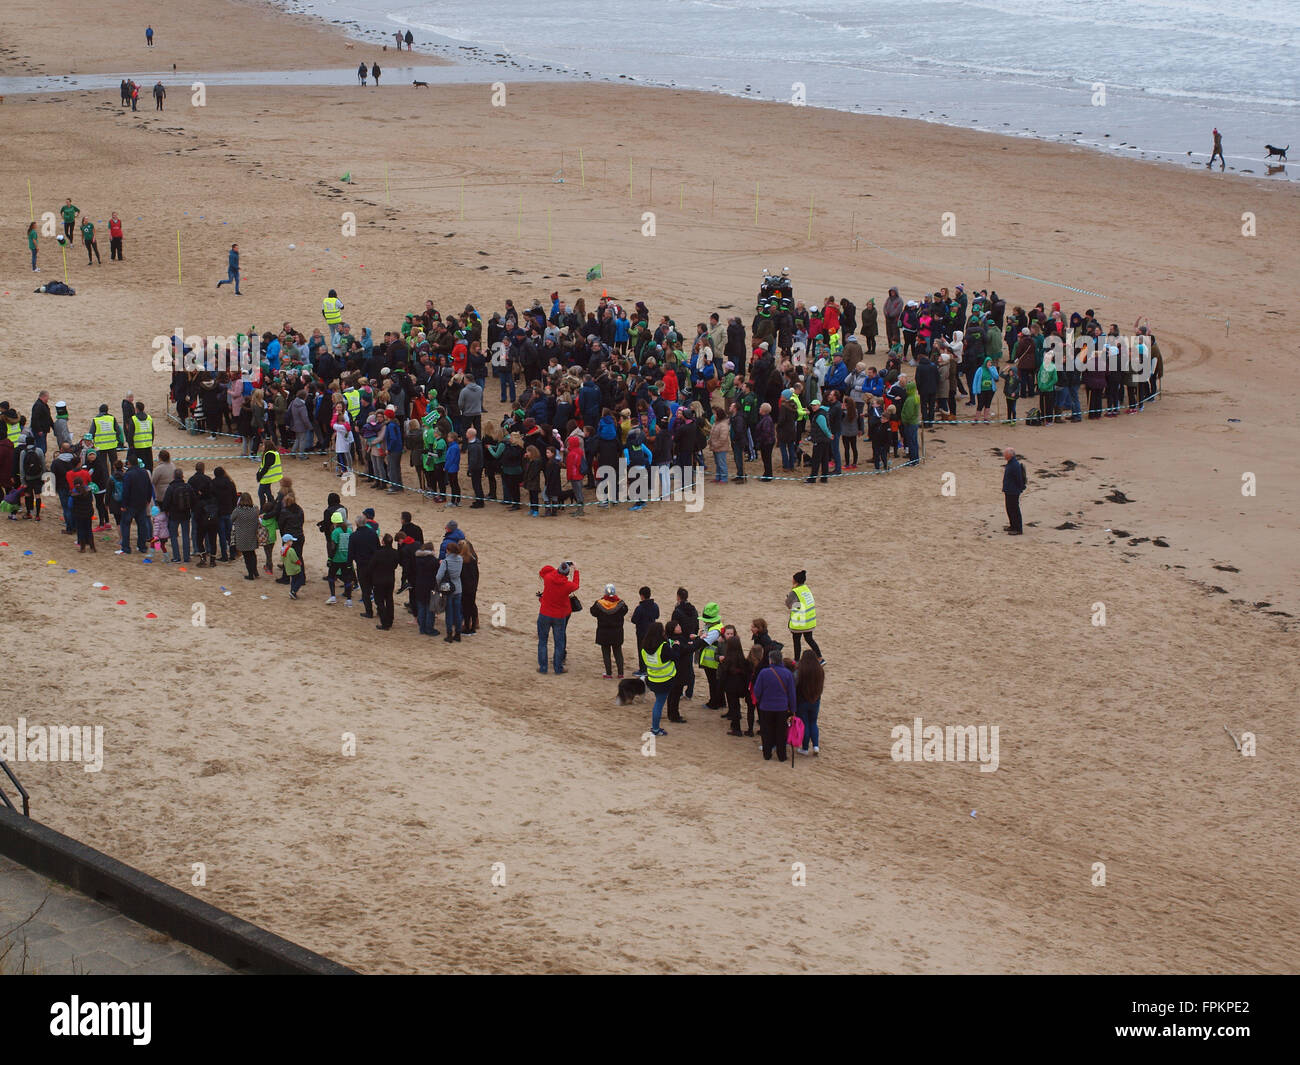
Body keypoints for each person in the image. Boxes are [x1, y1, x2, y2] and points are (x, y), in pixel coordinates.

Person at [752, 648, 796, 762]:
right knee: (781, 732)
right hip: (782, 708)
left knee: (766, 731)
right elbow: (791, 693)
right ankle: (782, 756)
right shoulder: (787, 674)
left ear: (770, 660)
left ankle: (767, 754)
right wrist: (793, 709)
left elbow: (757, 690)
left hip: (766, 707)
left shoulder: (764, 672)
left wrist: (761, 701)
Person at [537, 560, 578, 674]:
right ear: (566, 574)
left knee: (542, 641)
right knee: (559, 643)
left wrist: (563, 565)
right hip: (559, 616)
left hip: (545, 613)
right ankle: (558, 668)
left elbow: (547, 571)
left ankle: (543, 668)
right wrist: (576, 570)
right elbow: (576, 585)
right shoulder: (567, 585)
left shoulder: (548, 578)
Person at [590, 583, 629, 678]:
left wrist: (602, 599)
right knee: (618, 652)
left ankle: (608, 673)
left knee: (606, 653)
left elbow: (593, 611)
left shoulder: (599, 604)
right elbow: (625, 611)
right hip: (617, 633)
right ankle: (620, 673)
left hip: (604, 633)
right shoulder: (621, 604)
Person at [786, 569, 823, 663]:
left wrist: (789, 596)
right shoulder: (806, 589)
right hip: (809, 621)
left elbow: (788, 604)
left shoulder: (795, 592)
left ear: (796, 581)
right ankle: (820, 657)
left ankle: (797, 661)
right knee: (809, 639)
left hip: (799, 621)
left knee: (796, 641)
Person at [794, 651, 823, 755]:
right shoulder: (820, 670)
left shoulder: (800, 671)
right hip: (815, 699)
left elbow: (795, 684)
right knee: (813, 723)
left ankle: (805, 748)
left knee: (805, 724)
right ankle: (815, 746)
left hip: (802, 700)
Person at [436, 541, 464, 642]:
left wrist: (438, 585)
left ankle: (449, 634)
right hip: (458, 587)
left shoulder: (445, 562)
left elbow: (438, 577)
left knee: (449, 612)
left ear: (448, 550)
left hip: (448, 588)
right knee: (457, 612)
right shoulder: (460, 559)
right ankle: (458, 633)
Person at [326, 511, 356, 604]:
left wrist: (330, 558)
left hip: (336, 559)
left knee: (331, 577)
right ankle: (349, 599)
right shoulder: (349, 531)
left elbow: (333, 547)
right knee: (347, 579)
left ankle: (333, 596)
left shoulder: (335, 532)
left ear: (334, 522)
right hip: (347, 559)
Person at [370, 533, 399, 628]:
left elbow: (372, 565)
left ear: (383, 542)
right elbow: (395, 566)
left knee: (379, 601)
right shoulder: (395, 553)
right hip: (390, 579)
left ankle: (385, 622)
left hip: (379, 580)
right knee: (389, 599)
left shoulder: (378, 553)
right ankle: (390, 620)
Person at [231, 492, 261, 579]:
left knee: (247, 556)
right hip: (252, 534)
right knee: (252, 553)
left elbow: (231, 518)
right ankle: (255, 571)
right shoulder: (255, 509)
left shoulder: (238, 510)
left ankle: (250, 574)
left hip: (242, 536)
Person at [1002, 446, 1027, 534]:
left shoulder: (1015, 465)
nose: (1004, 456)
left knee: (1014, 509)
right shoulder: (1010, 463)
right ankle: (1012, 526)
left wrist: (1020, 488)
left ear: (1010, 455)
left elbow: (1018, 479)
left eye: (1005, 454)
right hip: (1009, 490)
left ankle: (1018, 529)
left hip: (1013, 491)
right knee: (1009, 509)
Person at [281, 533, 305, 599]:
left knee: (294, 580)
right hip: (295, 568)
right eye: (291, 541)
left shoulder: (283, 550)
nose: (292, 542)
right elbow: (295, 559)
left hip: (288, 568)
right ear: (288, 541)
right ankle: (293, 591)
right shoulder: (291, 550)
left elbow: (282, 559)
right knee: (300, 579)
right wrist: (299, 563)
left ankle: (292, 591)